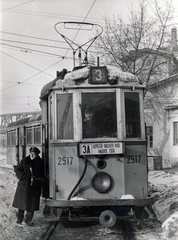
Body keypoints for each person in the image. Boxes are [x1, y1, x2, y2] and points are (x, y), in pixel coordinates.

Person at [12, 146, 45, 226]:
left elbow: (43, 174)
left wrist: (38, 180)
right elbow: (17, 170)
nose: (33, 156)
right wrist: (22, 177)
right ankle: (20, 218)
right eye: (32, 154)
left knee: (32, 204)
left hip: (34, 186)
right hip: (24, 185)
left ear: (37, 155)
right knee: (22, 203)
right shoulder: (25, 161)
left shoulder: (40, 162)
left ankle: (28, 220)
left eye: (34, 154)